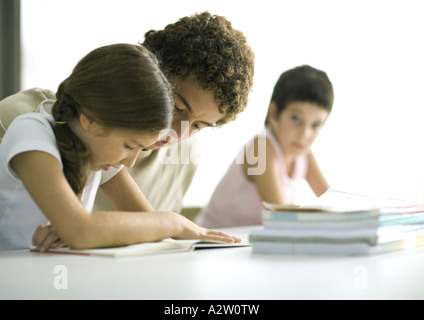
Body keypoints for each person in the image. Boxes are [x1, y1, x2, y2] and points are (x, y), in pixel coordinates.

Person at [0, 12, 255, 215]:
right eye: (177, 107)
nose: (175, 135)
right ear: (145, 73)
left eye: (199, 125)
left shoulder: (184, 158)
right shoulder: (17, 119)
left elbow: (152, 243)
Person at [0, 43, 240, 251]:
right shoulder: (31, 132)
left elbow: (148, 225)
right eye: (129, 145)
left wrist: (92, 232)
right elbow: (80, 231)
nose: (130, 162)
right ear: (89, 119)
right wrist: (174, 221)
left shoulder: (93, 148)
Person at [196, 65, 334, 228]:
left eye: (316, 124)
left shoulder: (304, 155)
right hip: (211, 244)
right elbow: (282, 216)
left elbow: (332, 202)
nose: (304, 134)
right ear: (274, 113)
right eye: (296, 119)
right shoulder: (260, 147)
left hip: (245, 245)